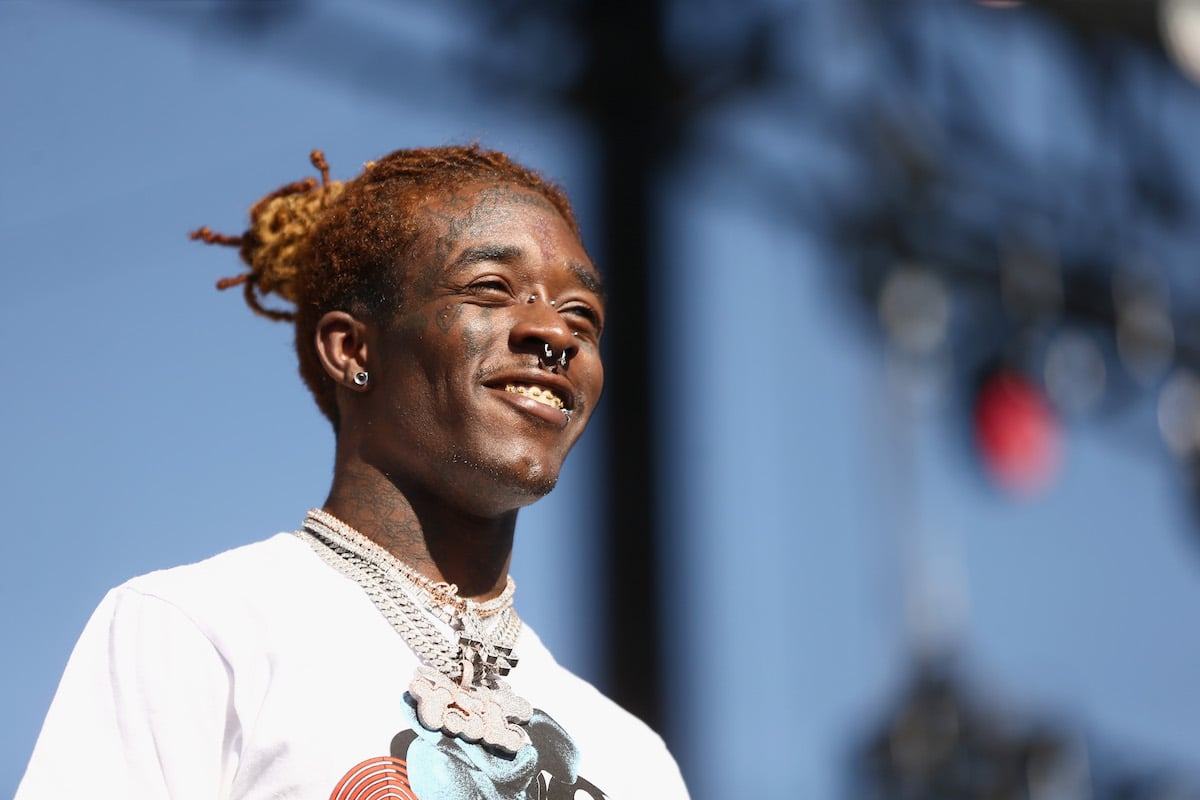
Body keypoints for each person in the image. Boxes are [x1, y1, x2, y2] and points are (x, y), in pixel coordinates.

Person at [16, 145, 689, 799]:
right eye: (492, 288)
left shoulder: (631, 759)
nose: (556, 334)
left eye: (584, 316)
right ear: (352, 349)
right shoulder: (201, 632)